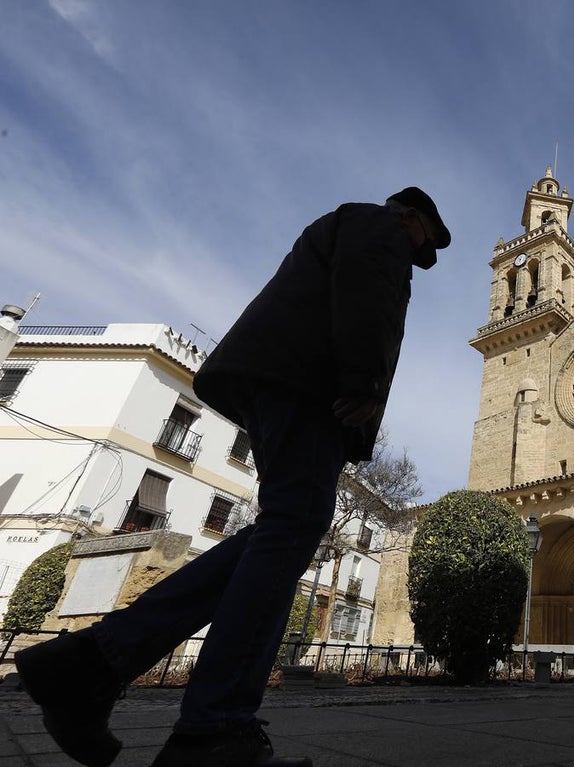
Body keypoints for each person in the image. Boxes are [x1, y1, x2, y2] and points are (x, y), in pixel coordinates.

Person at [15, 188, 451, 767]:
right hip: (309, 389)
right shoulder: (380, 227)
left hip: (280, 386)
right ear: (413, 216)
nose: (422, 251)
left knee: (279, 531)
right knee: (292, 527)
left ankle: (91, 665)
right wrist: (363, 383)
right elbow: (366, 295)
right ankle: (213, 727)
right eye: (426, 238)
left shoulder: (351, 226)